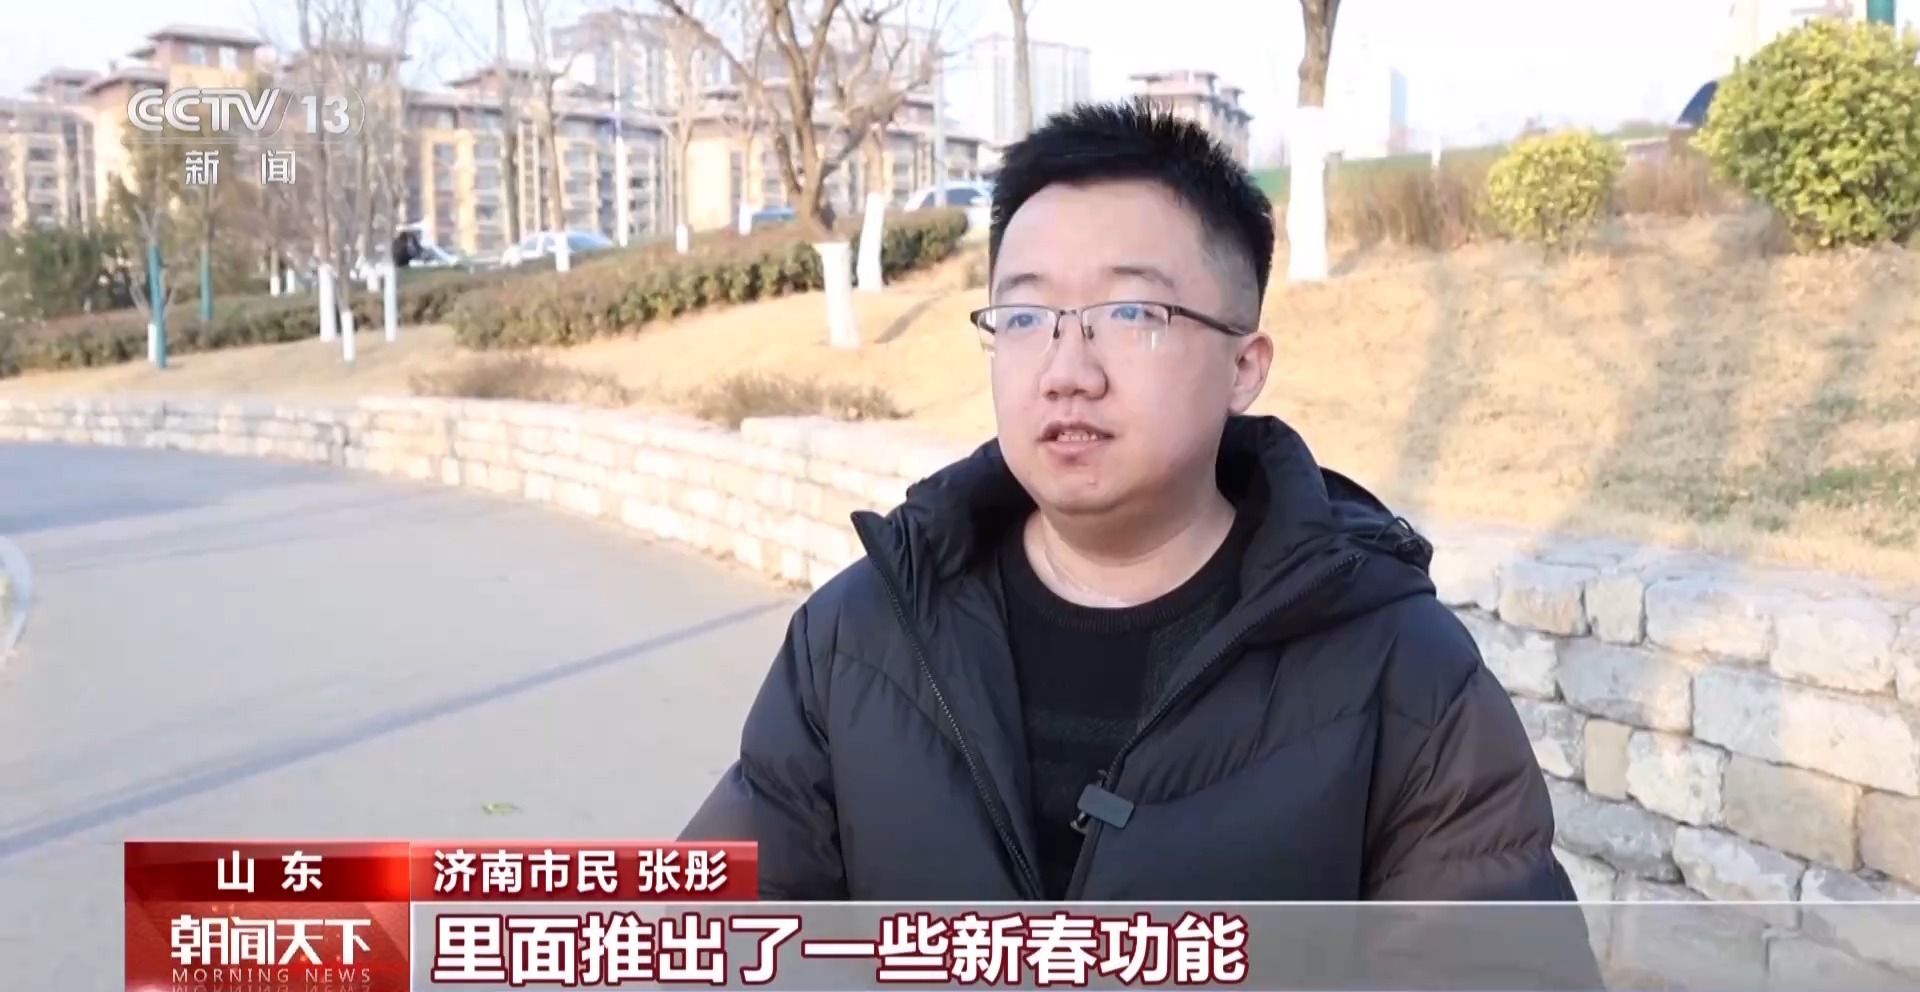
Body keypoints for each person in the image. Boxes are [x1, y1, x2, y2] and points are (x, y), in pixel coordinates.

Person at [682, 101, 1581, 909]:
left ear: (1244, 366)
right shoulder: (861, 636)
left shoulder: (1404, 675)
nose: (1067, 371)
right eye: (1025, 317)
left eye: (1131, 314)